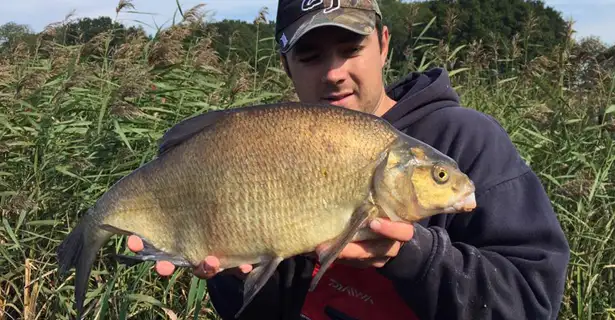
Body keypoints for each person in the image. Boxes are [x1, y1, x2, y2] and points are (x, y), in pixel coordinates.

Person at [127, 0, 571, 319]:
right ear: (286, 66)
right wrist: (233, 277)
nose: (334, 72)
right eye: (311, 55)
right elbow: (260, 309)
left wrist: (415, 254)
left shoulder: (467, 139)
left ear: (383, 43)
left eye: (350, 47)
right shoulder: (272, 144)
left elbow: (533, 302)